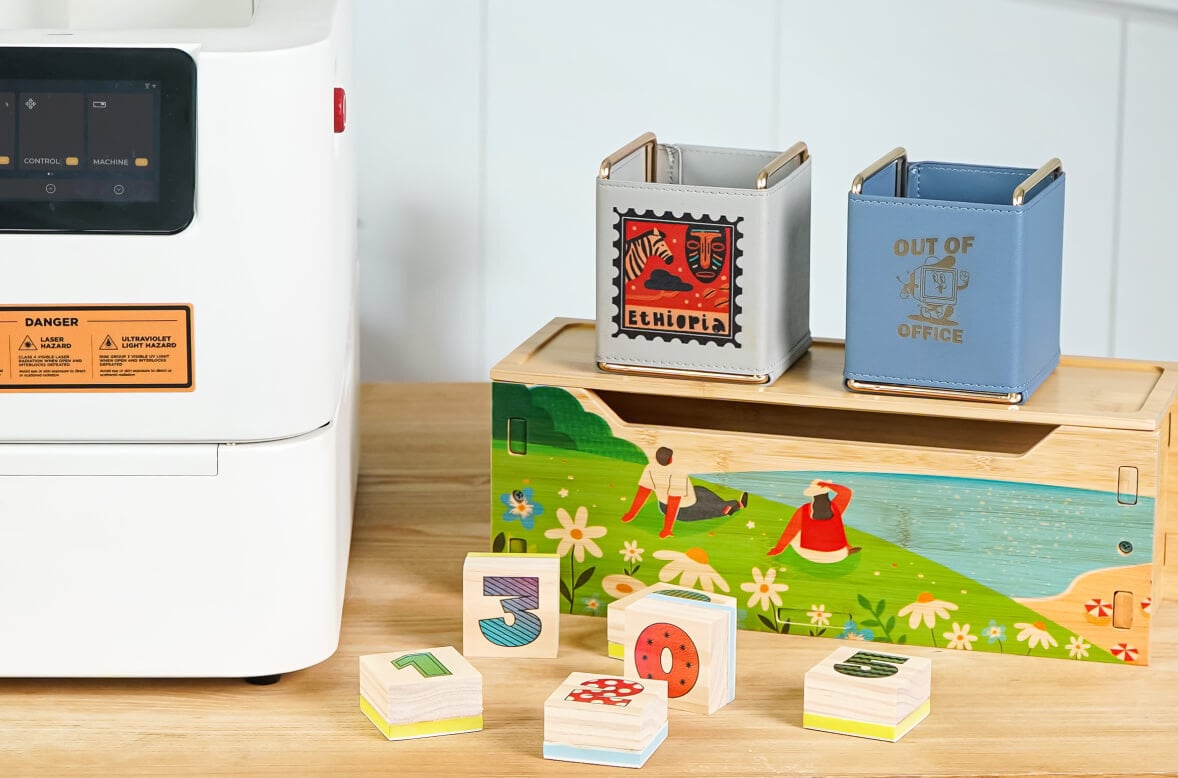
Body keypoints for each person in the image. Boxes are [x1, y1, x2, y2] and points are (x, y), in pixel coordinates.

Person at [621, 446, 747, 539]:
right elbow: (673, 501)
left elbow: (643, 492)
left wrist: (632, 513)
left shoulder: (650, 468)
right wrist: (667, 528)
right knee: (706, 507)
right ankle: (729, 508)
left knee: (702, 491)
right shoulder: (676, 472)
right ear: (671, 459)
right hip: (683, 511)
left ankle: (725, 505)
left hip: (675, 502)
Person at [767, 479, 860, 562]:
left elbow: (790, 532)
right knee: (834, 528)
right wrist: (826, 484)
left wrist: (778, 549)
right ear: (827, 494)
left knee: (797, 532)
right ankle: (847, 547)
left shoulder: (804, 509)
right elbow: (846, 492)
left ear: (813, 496)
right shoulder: (836, 507)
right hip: (838, 555)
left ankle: (844, 547)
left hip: (808, 553)